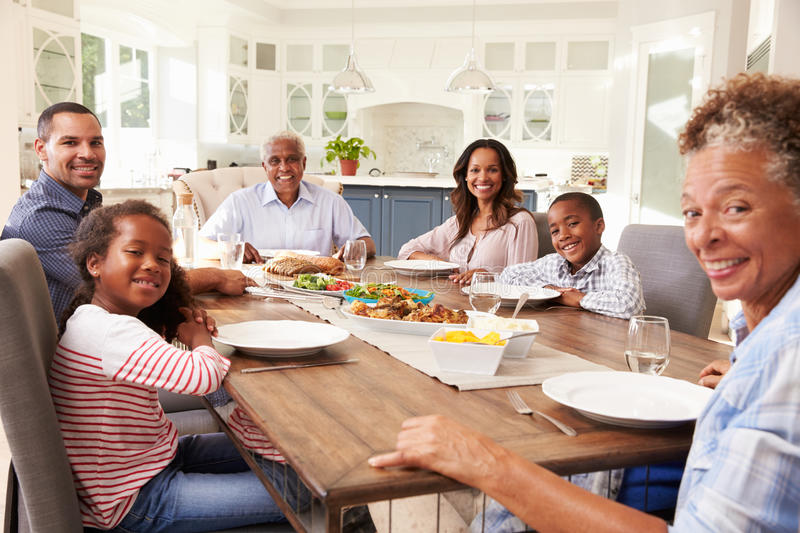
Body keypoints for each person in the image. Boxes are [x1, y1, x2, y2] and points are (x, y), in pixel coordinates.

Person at [369, 73, 800, 532]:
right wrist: (743, 374)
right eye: (692, 212)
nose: (705, 235)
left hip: (621, 483)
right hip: (629, 469)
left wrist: (490, 464)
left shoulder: (786, 360)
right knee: (397, 476)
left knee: (387, 479)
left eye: (736, 207)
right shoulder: (763, 343)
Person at [53, 200, 303, 532]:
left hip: (150, 460)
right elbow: (202, 377)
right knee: (299, 487)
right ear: (95, 263)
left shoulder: (97, 318)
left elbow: (155, 356)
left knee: (299, 456)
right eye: (135, 252)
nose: (152, 265)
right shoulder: (112, 331)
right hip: (135, 499)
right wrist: (200, 340)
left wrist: (184, 328)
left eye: (163, 258)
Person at [1, 102, 254, 323]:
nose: (87, 153)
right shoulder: (42, 216)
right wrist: (215, 277)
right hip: (81, 362)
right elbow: (119, 287)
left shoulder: (83, 202)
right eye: (70, 142)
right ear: (41, 149)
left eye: (95, 142)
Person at [199, 130, 376, 263]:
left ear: (303, 163)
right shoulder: (240, 202)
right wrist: (230, 249)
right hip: (255, 291)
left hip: (314, 291)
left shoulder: (330, 202)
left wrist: (354, 250)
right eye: (275, 161)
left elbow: (367, 243)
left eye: (292, 159)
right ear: (265, 167)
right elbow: (195, 245)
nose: (284, 168)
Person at [397, 139, 538, 284]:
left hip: (494, 306)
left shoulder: (520, 223)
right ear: (466, 176)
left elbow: (523, 283)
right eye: (475, 170)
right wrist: (440, 264)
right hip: (454, 304)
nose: (483, 177)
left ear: (504, 176)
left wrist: (489, 277)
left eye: (493, 170)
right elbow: (406, 251)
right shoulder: (459, 222)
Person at [500, 192, 645, 319]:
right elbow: (507, 275)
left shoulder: (615, 262)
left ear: (599, 226)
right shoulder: (553, 263)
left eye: (572, 223)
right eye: (555, 231)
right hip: (566, 338)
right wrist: (549, 291)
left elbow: (629, 305)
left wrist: (579, 299)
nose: (563, 236)